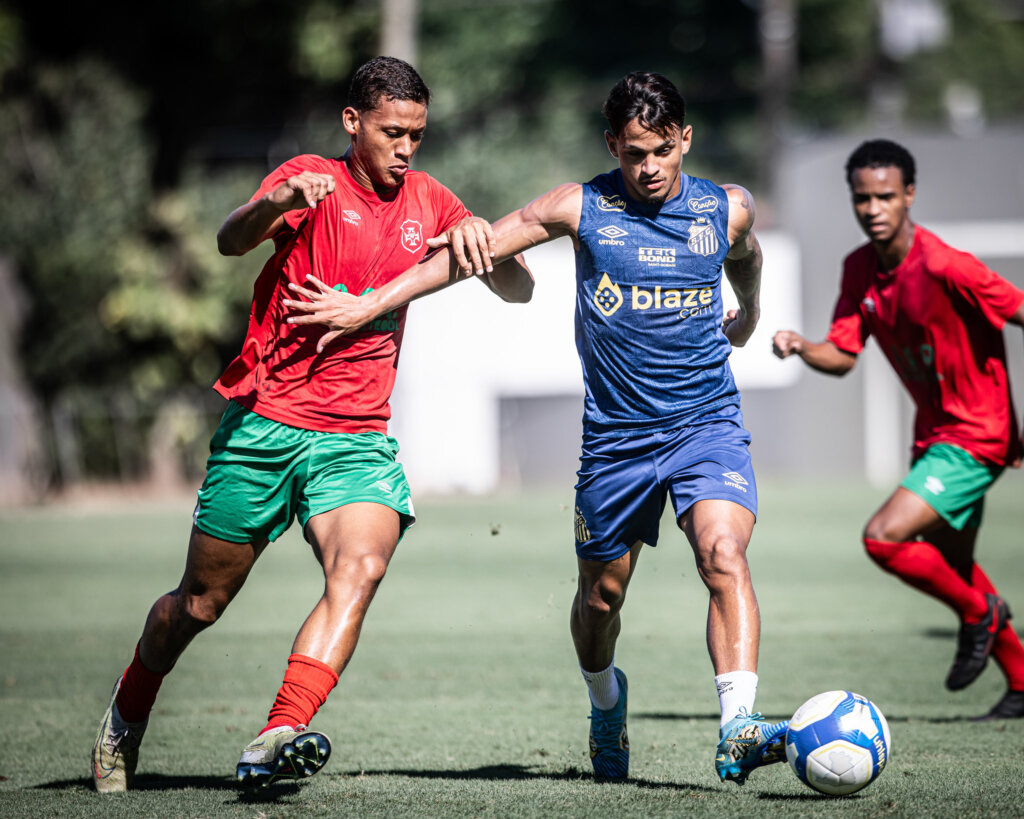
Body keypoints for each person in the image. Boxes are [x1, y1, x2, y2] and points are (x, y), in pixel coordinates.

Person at [283, 71, 786, 785]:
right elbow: (471, 253)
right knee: (600, 600)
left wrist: (751, 312)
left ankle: (737, 725)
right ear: (612, 144)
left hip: (706, 423)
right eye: (635, 152)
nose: (649, 168)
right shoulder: (580, 206)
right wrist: (369, 305)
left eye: (664, 151)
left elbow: (747, 254)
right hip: (616, 444)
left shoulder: (724, 208)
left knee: (723, 552)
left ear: (686, 140)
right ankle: (606, 700)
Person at [90, 55, 534, 793]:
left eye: (418, 135)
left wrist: (487, 248)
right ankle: (127, 709)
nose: (407, 148)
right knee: (198, 604)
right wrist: (277, 202)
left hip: (356, 436)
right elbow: (232, 241)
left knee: (359, 567)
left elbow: (518, 292)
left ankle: (279, 730)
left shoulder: (430, 200)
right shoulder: (308, 178)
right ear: (352, 122)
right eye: (393, 132)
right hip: (266, 423)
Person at [772, 138, 1024, 721]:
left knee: (883, 537)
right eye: (863, 198)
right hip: (936, 434)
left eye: (885, 195)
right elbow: (842, 355)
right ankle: (1019, 675)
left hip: (977, 434)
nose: (873, 208)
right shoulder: (859, 269)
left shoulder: (945, 264)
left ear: (909, 194)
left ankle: (980, 614)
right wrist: (802, 346)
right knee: (953, 563)